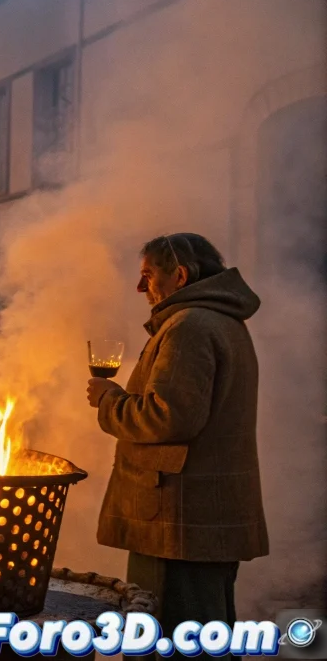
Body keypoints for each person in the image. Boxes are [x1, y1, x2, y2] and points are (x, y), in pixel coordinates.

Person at [86, 234, 268, 658]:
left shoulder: (188, 327)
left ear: (180, 275)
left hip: (176, 520)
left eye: (148, 275)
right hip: (200, 516)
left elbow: (167, 418)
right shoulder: (219, 321)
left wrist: (109, 400)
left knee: (169, 635)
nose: (140, 287)